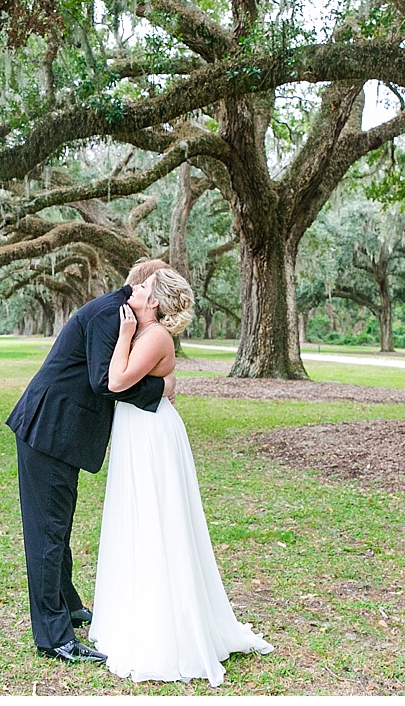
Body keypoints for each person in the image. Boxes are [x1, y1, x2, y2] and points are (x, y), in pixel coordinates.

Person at [88, 267, 274, 686]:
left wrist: (122, 335)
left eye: (144, 287)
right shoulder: (149, 331)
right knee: (137, 517)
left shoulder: (153, 337)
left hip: (152, 433)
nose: (135, 288)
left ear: (154, 302)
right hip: (140, 427)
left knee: (157, 518)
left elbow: (117, 380)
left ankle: (165, 630)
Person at [6, 259, 175, 663]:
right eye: (153, 288)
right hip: (47, 430)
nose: (153, 295)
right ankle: (54, 638)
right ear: (143, 289)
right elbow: (106, 382)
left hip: (61, 434)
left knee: (57, 528)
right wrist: (161, 387)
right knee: (47, 534)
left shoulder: (121, 315)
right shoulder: (109, 315)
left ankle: (69, 605)